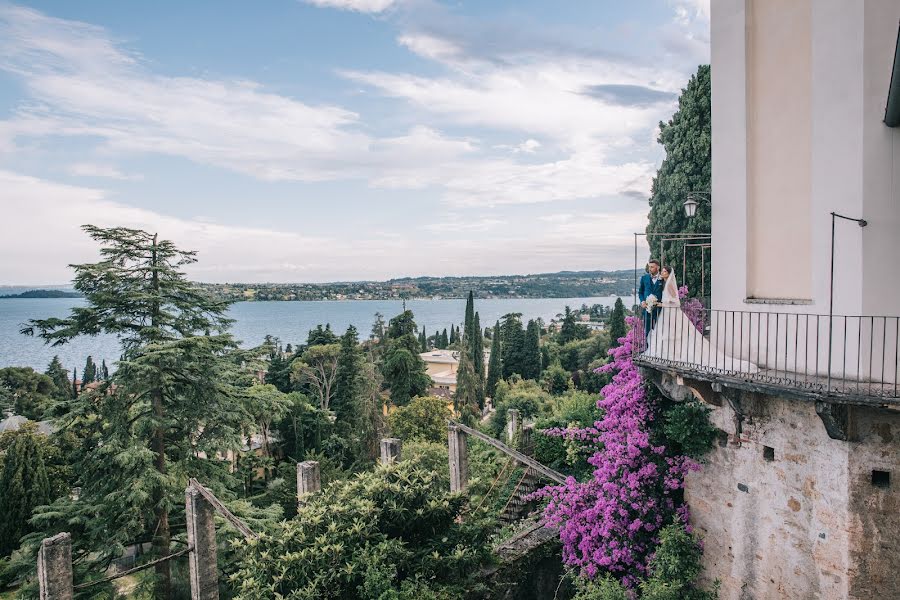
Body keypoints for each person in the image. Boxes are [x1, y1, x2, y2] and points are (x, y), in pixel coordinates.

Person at [644, 266, 757, 373]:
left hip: (672, 314)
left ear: (668, 274)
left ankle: (675, 356)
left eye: (664, 271)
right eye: (662, 271)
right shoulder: (665, 284)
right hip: (667, 314)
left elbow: (676, 303)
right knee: (671, 336)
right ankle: (671, 355)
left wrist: (659, 304)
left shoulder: (669, 286)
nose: (662, 273)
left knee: (677, 335)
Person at [638, 259, 665, 342]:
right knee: (647, 331)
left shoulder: (663, 278)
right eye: (649, 267)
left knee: (660, 330)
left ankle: (659, 349)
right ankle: (648, 350)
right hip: (647, 309)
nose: (650, 269)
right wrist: (642, 301)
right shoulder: (644, 278)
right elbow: (640, 292)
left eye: (652, 267)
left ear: (658, 267)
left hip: (659, 310)